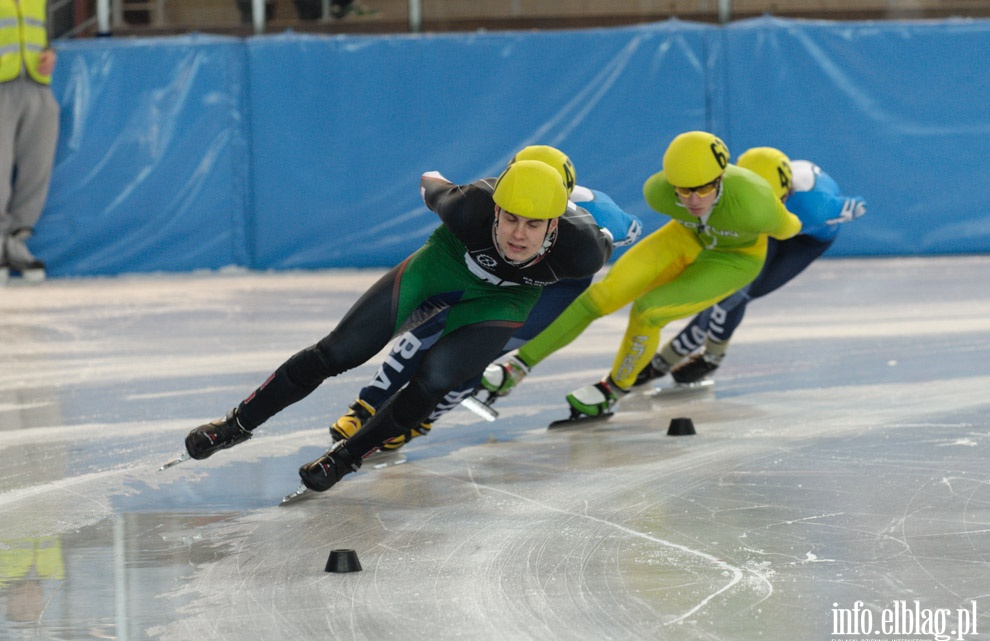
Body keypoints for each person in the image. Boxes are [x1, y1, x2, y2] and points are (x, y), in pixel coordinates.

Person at [183, 154, 614, 493]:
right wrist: (441, 183)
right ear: (495, 210)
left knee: (434, 382)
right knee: (338, 352)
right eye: (510, 219)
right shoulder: (468, 206)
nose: (518, 235)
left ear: (555, 223)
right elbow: (430, 181)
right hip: (444, 266)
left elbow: (612, 238)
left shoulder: (583, 251)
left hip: (506, 298)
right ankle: (236, 425)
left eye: (534, 225)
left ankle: (345, 458)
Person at [327, 145, 643, 452]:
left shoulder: (591, 205)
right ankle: (367, 406)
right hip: (499, 279)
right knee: (429, 331)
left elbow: (629, 228)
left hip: (544, 295)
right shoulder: (501, 195)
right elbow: (632, 229)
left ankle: (416, 421)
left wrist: (597, 234)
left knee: (472, 356)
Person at [481, 130, 802, 419]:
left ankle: (615, 388)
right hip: (685, 237)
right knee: (599, 296)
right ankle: (517, 366)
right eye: (683, 190)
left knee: (648, 312)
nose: (692, 199)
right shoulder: (659, 192)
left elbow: (791, 228)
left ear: (720, 178)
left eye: (702, 189)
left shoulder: (757, 204)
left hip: (734, 258)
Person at [635, 147, 867, 386]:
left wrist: (841, 213)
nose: (771, 211)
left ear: (788, 193)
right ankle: (682, 357)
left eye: (777, 203)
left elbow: (859, 205)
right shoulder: (740, 192)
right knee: (731, 289)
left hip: (805, 241)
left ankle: (687, 358)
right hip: (766, 229)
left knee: (740, 293)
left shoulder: (817, 207)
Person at [0, 0, 58, 284]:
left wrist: (49, 53)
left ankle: (16, 241)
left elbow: (42, 34)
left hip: (37, 85)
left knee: (37, 167)